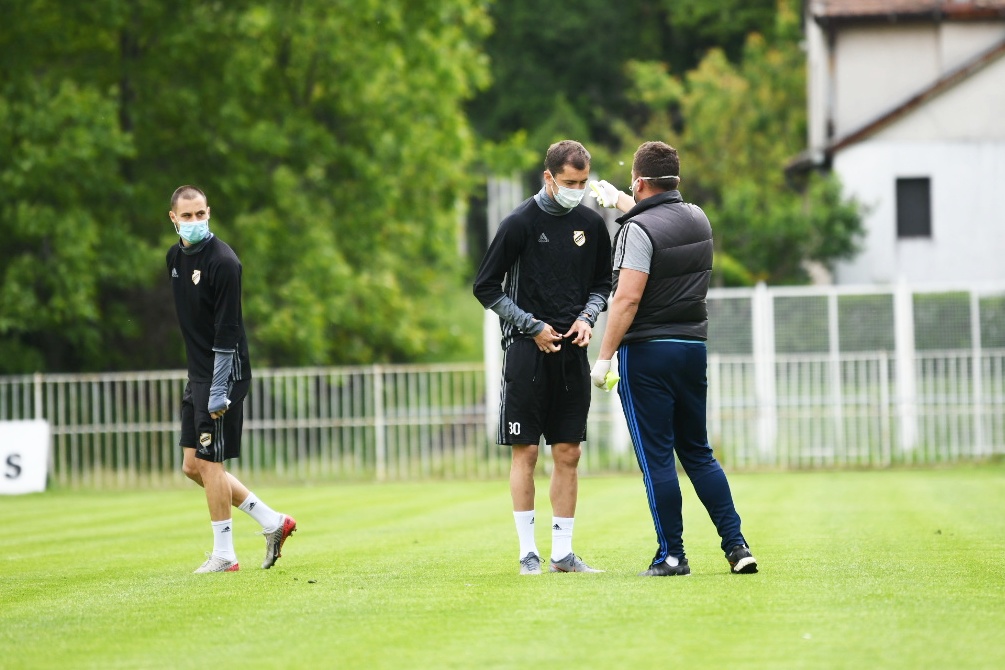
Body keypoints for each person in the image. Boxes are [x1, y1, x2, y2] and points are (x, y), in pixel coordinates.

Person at [588, 141, 758, 576]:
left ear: (640, 180)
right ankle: (737, 547)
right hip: (692, 349)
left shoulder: (635, 232)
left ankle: (672, 555)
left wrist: (604, 357)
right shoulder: (698, 218)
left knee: (657, 458)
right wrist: (624, 202)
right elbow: (662, 221)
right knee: (698, 452)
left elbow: (626, 299)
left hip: (647, 353)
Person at [473, 140, 613, 575]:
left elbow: (601, 284)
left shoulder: (592, 223)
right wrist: (531, 326)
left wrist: (590, 316)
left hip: (573, 352)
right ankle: (527, 553)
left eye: (584, 182)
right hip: (525, 353)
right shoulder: (518, 223)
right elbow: (486, 287)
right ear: (549, 178)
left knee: (568, 452)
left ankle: (563, 554)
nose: (578, 189)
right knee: (526, 452)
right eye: (570, 182)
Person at [166, 184, 296, 573]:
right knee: (193, 465)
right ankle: (274, 522)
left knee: (210, 462)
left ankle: (225, 555)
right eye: (186, 216)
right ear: (173, 218)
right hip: (199, 373)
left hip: (225, 373)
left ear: (209, 212)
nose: (194, 222)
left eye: (200, 214)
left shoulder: (224, 262)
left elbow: (226, 332)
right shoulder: (174, 257)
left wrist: (218, 390)